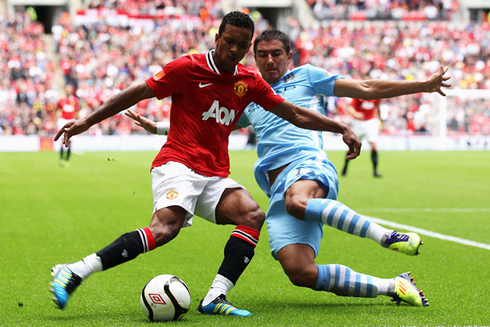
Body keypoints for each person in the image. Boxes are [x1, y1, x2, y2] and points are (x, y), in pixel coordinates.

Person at [50, 12, 362, 317]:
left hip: (213, 173)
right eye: (229, 42)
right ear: (217, 38)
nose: (234, 50)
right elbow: (138, 91)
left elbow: (294, 113)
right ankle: (75, 270)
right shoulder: (188, 67)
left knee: (252, 215)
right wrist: (87, 121)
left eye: (242, 45)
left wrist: (340, 127)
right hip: (178, 162)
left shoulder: (249, 81)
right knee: (165, 229)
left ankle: (215, 297)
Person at [129, 29, 450, 307]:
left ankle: (386, 236)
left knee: (299, 202)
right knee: (300, 271)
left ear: (289, 56)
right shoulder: (248, 93)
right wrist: (157, 128)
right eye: (263, 55)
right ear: (253, 57)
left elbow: (365, 88)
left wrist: (423, 85)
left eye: (277, 54)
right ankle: (394, 285)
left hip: (308, 165)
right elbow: (208, 120)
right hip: (277, 188)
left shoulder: (307, 76)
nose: (270, 60)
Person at [341, 78, 383, 178]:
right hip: (358, 123)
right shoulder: (358, 95)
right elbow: (350, 108)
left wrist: (380, 120)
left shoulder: (376, 96)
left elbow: (378, 108)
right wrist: (356, 114)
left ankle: (375, 171)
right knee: (352, 146)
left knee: (373, 144)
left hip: (370, 122)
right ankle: (344, 169)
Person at [55, 84, 79, 167]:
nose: (68, 91)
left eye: (69, 89)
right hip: (63, 121)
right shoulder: (62, 100)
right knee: (62, 140)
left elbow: (77, 112)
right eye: (67, 89)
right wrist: (55, 121)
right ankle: (61, 159)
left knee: (70, 141)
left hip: (71, 121)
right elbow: (56, 110)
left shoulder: (75, 100)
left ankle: (67, 160)